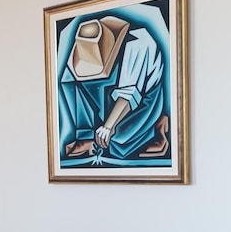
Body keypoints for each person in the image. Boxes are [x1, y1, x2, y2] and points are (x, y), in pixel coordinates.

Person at [60, 14, 167, 162]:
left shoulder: (139, 43)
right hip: (109, 95)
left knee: (119, 145)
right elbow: (68, 84)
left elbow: (129, 94)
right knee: (69, 81)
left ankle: (158, 127)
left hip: (144, 98)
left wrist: (108, 127)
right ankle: (88, 136)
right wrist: (85, 133)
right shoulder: (83, 44)